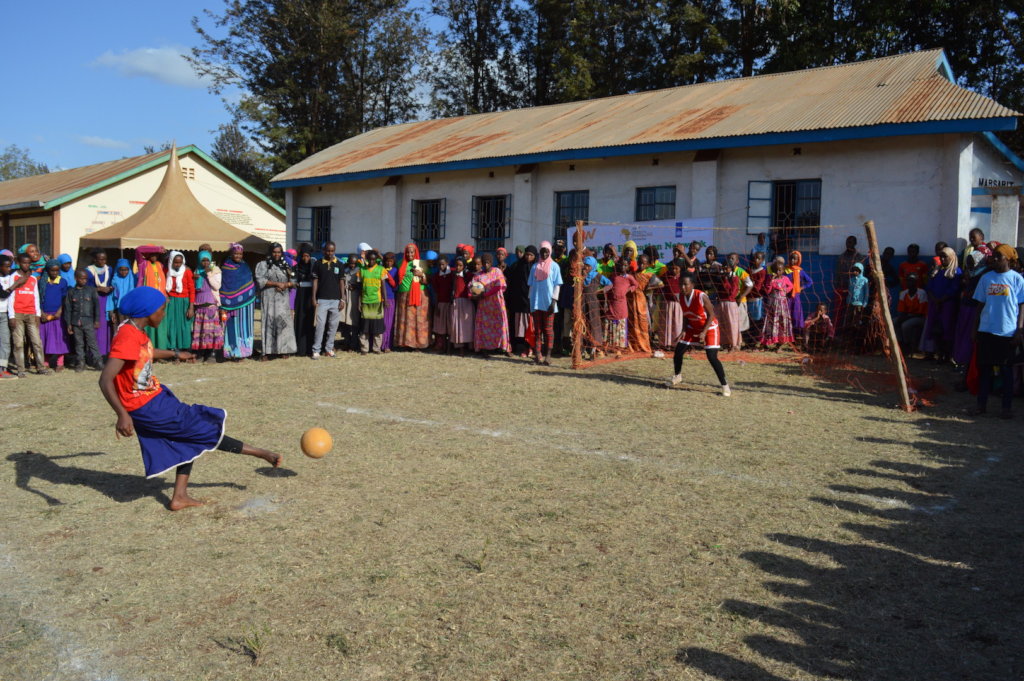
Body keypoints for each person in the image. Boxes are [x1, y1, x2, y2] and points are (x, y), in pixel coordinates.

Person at [99, 286, 283, 511]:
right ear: (147, 311)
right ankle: (262, 453)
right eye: (162, 309)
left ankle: (179, 497)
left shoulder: (133, 330)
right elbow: (105, 379)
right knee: (203, 428)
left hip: (155, 399)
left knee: (188, 438)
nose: (164, 313)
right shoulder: (127, 335)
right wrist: (122, 415)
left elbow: (145, 353)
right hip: (147, 407)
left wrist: (176, 354)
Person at [970, 245, 1024, 418]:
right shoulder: (986, 278)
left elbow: (1022, 306)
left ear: (1008, 259)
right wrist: (975, 329)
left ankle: (1006, 408)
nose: (994, 259)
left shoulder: (1017, 279)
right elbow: (980, 306)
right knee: (984, 370)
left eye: (998, 256)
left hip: (1007, 332)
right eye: (993, 256)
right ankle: (981, 405)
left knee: (1006, 371)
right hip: (986, 330)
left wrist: (1018, 331)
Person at [666, 273, 731, 396]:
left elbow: (712, 315)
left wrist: (704, 332)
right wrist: (684, 330)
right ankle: (677, 376)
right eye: (681, 285)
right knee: (678, 351)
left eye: (685, 284)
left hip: (709, 327)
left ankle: (725, 385)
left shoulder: (701, 296)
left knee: (712, 357)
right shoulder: (680, 296)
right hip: (692, 327)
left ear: (692, 285)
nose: (683, 287)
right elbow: (686, 315)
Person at [7, 253, 49, 376]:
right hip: (17, 313)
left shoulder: (33, 279)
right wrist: (11, 316)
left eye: (29, 263)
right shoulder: (13, 277)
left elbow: (35, 296)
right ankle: (21, 369)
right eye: (24, 263)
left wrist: (37, 314)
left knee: (36, 342)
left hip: (31, 313)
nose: (27, 265)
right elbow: (11, 297)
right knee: (18, 343)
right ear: (19, 263)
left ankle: (41, 367)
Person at [255, 242, 297, 359]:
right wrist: (276, 284)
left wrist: (286, 284)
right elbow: (260, 280)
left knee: (283, 323)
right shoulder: (263, 265)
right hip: (269, 298)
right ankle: (267, 351)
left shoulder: (285, 265)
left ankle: (283, 349)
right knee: (269, 322)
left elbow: (293, 281)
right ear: (270, 252)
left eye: (279, 252)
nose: (276, 254)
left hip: (283, 299)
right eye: (274, 252)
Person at [919, 247, 961, 363]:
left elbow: (954, 289)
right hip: (934, 305)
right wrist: (935, 300)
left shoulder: (955, 272)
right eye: (941, 256)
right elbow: (929, 287)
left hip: (947, 306)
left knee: (947, 329)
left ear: (951, 257)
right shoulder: (937, 271)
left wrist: (941, 300)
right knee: (934, 329)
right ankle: (938, 353)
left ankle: (948, 355)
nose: (942, 259)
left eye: (945, 256)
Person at [526, 241, 563, 365]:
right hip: (536, 303)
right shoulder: (534, 267)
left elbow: (557, 285)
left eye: (547, 251)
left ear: (550, 252)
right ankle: (537, 355)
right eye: (542, 251)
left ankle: (548, 355)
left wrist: (554, 301)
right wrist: (530, 302)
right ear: (539, 252)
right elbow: (531, 286)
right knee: (537, 331)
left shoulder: (554, 266)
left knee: (548, 331)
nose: (545, 253)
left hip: (548, 303)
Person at [220, 243, 256, 360]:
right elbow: (225, 285)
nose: (238, 256)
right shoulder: (226, 267)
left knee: (244, 327)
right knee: (232, 327)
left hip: (246, 303)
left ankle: (245, 352)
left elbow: (249, 280)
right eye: (235, 253)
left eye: (240, 254)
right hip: (230, 304)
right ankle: (232, 352)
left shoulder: (245, 266)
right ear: (231, 254)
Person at [470, 253, 510, 354]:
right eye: (484, 263)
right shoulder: (478, 275)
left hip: (496, 304)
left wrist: (486, 294)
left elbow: (498, 286)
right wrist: (474, 295)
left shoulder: (497, 271)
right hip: (484, 306)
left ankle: (502, 347)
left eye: (488, 263)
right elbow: (471, 287)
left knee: (499, 325)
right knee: (484, 326)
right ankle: (484, 348)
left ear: (491, 263)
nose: (486, 265)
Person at [394, 243, 431, 350]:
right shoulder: (400, 263)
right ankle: (406, 343)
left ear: (416, 252)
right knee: (406, 319)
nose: (410, 254)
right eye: (408, 252)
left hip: (420, 294)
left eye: (412, 252)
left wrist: (421, 275)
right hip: (404, 294)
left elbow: (428, 280)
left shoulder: (421, 263)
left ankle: (420, 343)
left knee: (420, 319)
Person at [311, 241, 344, 359]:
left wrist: (343, 299)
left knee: (333, 326)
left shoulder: (339, 264)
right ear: (323, 251)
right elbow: (315, 281)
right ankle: (316, 350)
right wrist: (314, 297)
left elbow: (341, 282)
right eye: (328, 251)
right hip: (322, 300)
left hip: (335, 300)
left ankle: (329, 349)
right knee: (320, 326)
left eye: (332, 251)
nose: (330, 253)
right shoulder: (318, 264)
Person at [63, 269, 100, 372]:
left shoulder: (91, 290)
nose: (84, 281)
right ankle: (80, 363)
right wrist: (69, 323)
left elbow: (96, 306)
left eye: (85, 279)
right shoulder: (71, 292)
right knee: (79, 344)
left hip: (88, 321)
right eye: (81, 278)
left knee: (92, 342)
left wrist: (97, 320)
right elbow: (68, 308)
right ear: (76, 278)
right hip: (75, 322)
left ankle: (98, 362)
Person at [190, 250, 223, 363]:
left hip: (210, 303)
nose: (205, 263)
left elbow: (217, 286)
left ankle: (211, 353)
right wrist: (193, 279)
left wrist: (209, 273)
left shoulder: (216, 270)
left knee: (211, 330)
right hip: (199, 304)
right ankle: (201, 352)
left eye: (207, 260)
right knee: (200, 330)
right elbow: (195, 288)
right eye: (203, 260)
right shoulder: (197, 270)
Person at [38, 259, 70, 370]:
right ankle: (46, 362)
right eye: (52, 271)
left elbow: (64, 298)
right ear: (47, 270)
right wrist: (41, 312)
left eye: (57, 271)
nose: (54, 273)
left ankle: (60, 363)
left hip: (57, 315)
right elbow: (38, 298)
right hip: (45, 315)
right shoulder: (42, 282)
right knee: (45, 339)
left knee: (59, 339)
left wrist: (60, 311)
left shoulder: (62, 282)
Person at [505, 245, 536, 356]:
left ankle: (530, 347)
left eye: (531, 255)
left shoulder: (536, 267)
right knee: (518, 326)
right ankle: (517, 347)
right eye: (527, 254)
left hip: (530, 302)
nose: (528, 257)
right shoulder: (517, 266)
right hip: (517, 302)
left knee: (530, 326)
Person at [162, 251, 195, 352]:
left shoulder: (187, 272)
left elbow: (192, 290)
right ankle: (173, 348)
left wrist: (191, 307)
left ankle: (184, 348)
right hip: (171, 302)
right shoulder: (166, 271)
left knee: (184, 325)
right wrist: (166, 296)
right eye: (176, 262)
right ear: (171, 261)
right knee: (171, 325)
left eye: (180, 262)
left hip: (184, 302)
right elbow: (163, 285)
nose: (178, 265)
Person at [357, 250, 389, 354]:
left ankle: (376, 348)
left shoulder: (381, 269)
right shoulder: (362, 270)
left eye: (373, 259)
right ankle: (364, 349)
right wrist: (359, 302)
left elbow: (383, 286)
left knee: (377, 327)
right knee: (364, 327)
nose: (371, 261)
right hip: (365, 302)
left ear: (376, 260)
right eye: (369, 259)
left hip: (377, 301)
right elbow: (360, 288)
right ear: (366, 259)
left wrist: (385, 300)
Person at [85, 249, 114, 361]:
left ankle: (104, 354)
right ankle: (92, 355)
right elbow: (85, 287)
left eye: (104, 259)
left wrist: (110, 288)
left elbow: (112, 283)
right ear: (95, 259)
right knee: (95, 328)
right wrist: (98, 289)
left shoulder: (109, 270)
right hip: (93, 302)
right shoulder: (89, 271)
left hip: (106, 301)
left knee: (105, 328)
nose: (103, 261)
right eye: (100, 259)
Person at [761, 256, 795, 348]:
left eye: (779, 270)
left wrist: (785, 291)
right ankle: (768, 341)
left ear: (783, 271)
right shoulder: (771, 279)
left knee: (782, 322)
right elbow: (767, 291)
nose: (777, 272)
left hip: (782, 305)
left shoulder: (785, 279)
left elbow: (791, 286)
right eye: (775, 270)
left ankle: (780, 344)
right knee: (771, 322)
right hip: (773, 304)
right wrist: (770, 282)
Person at [602, 260, 636, 353]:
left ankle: (619, 346)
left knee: (620, 322)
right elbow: (608, 285)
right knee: (610, 321)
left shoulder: (629, 277)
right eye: (621, 265)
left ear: (628, 267)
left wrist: (629, 289)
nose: (623, 267)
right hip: (612, 303)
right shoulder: (614, 276)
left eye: (625, 265)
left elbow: (635, 285)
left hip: (622, 303)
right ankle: (609, 344)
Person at [580, 256, 607, 357]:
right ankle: (582, 348)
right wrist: (582, 276)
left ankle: (594, 349)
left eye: (588, 266)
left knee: (594, 324)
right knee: (583, 324)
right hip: (582, 303)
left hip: (593, 303)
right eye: (585, 265)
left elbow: (609, 284)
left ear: (593, 266)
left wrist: (602, 290)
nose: (586, 268)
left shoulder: (597, 276)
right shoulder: (581, 275)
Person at [894, 274, 927, 354]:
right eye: (908, 281)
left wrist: (906, 317)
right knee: (894, 322)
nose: (909, 283)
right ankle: (900, 342)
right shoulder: (903, 293)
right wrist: (901, 318)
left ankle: (907, 344)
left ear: (916, 282)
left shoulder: (921, 293)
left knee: (905, 325)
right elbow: (902, 310)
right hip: (907, 316)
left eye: (911, 281)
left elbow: (921, 313)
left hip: (920, 317)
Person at [293, 243, 316, 356]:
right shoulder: (297, 267)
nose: (305, 258)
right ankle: (300, 348)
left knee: (310, 320)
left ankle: (310, 348)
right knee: (300, 320)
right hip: (301, 295)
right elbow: (293, 281)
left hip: (311, 295)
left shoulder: (314, 266)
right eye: (303, 256)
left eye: (307, 256)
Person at [449, 256, 475, 354]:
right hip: (456, 302)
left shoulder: (468, 275)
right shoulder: (453, 275)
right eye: (457, 265)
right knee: (457, 324)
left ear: (464, 266)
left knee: (466, 324)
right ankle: (460, 346)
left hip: (466, 302)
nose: (458, 267)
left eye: (460, 265)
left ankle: (469, 345)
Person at [430, 255, 454, 352]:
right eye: (439, 265)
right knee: (440, 325)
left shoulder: (452, 274)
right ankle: (441, 345)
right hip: (441, 303)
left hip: (450, 303)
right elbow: (435, 291)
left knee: (450, 325)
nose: (441, 266)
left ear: (447, 263)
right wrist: (436, 304)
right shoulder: (436, 276)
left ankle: (450, 346)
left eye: (443, 264)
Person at [659, 261, 684, 349]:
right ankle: (666, 344)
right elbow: (660, 287)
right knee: (667, 323)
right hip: (667, 303)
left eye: (676, 268)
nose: (674, 270)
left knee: (677, 323)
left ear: (680, 269)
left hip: (678, 304)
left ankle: (676, 344)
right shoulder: (666, 277)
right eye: (672, 268)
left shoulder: (682, 279)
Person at [745, 251, 768, 347]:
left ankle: (756, 341)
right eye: (754, 258)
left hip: (757, 300)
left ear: (762, 260)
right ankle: (748, 341)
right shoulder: (748, 270)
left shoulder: (762, 271)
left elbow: (757, 286)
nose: (756, 260)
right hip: (748, 299)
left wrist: (750, 286)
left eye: (758, 258)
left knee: (757, 321)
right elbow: (745, 282)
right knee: (749, 321)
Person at [340, 255, 362, 351]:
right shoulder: (345, 270)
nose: (352, 265)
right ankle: (346, 341)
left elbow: (361, 285)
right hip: (345, 297)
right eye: (350, 263)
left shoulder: (359, 271)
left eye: (354, 263)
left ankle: (354, 343)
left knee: (354, 320)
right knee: (344, 320)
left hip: (354, 297)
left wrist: (355, 287)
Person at [786, 250, 813, 331]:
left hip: (796, 296)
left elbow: (810, 281)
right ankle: (786, 333)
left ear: (799, 260)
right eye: (791, 258)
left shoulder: (800, 271)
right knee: (786, 314)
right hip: (786, 296)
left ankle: (796, 332)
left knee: (796, 314)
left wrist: (801, 288)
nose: (792, 261)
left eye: (795, 259)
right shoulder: (785, 269)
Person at [109, 258, 136, 329]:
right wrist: (111, 312)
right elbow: (111, 297)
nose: (124, 272)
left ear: (129, 269)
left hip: (131, 309)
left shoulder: (133, 280)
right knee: (120, 328)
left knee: (131, 328)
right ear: (117, 270)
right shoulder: (114, 281)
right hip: (119, 310)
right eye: (121, 270)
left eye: (126, 269)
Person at [0, 254, 15, 378]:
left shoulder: (10, 277)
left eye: (10, 266)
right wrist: (15, 286)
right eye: (6, 267)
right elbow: (3, 294)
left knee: (5, 342)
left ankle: (2, 368)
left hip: (5, 314)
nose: (9, 269)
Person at [381, 252, 397, 352]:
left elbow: (395, 286)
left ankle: (387, 345)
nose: (388, 263)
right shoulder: (380, 270)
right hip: (379, 298)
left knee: (389, 323)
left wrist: (387, 275)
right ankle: (379, 343)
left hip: (390, 298)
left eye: (390, 261)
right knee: (381, 322)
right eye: (387, 261)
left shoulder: (395, 271)